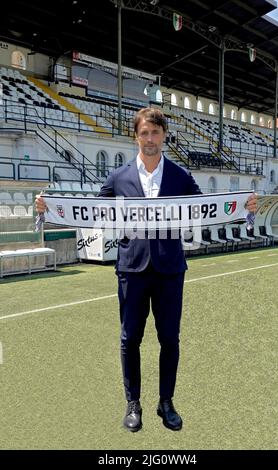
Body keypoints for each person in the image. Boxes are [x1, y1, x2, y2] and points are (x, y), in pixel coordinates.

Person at [36, 107, 257, 433]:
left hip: (170, 269)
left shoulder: (181, 176)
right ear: (136, 136)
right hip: (131, 269)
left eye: (155, 133)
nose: (150, 139)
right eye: (144, 133)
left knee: (170, 339)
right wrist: (50, 206)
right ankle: (133, 403)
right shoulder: (119, 177)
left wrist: (243, 208)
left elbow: (206, 210)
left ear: (164, 135)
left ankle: (166, 402)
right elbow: (93, 212)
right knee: (130, 339)